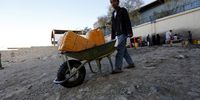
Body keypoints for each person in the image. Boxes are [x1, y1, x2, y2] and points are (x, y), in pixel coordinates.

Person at [110, 0, 135, 74]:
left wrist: (130, 32)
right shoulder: (113, 13)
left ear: (118, 2)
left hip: (123, 33)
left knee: (120, 50)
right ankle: (131, 63)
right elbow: (113, 27)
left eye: (114, 1)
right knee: (124, 51)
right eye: (111, 2)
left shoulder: (123, 10)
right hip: (118, 35)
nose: (112, 3)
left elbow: (127, 21)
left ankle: (118, 68)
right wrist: (113, 37)